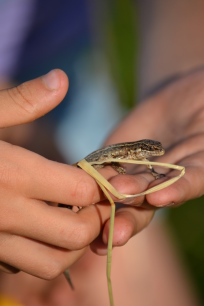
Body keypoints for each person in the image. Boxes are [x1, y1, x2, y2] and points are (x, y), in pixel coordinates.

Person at [0, 0, 204, 305]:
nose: (153, 152)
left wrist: (183, 70)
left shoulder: (136, 152)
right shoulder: (131, 151)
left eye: (152, 150)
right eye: (150, 150)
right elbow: (115, 159)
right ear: (142, 149)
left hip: (64, 58)